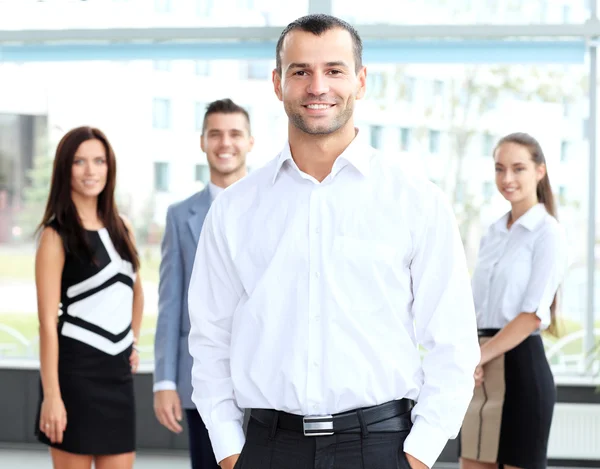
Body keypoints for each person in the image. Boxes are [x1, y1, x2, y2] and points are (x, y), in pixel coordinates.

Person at [188, 14, 480, 469]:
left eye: (334, 70)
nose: (317, 86)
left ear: (360, 81)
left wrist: (419, 454)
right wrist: (229, 449)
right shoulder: (234, 208)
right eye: (300, 71)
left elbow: (452, 341)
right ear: (277, 82)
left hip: (382, 448)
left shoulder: (416, 200)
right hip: (266, 448)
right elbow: (210, 338)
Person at [153, 98, 254, 469]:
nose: (225, 143)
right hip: (203, 381)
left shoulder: (274, 206)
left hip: (266, 381)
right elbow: (170, 302)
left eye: (234, 134)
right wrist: (164, 381)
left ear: (250, 142)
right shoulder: (181, 216)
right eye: (215, 134)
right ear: (202, 142)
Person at [34, 126, 143, 469]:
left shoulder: (122, 227)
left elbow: (136, 294)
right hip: (74, 378)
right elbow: (47, 325)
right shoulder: (55, 235)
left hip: (117, 376)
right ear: (65, 168)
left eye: (99, 161)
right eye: (80, 162)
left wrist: (132, 342)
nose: (90, 170)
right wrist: (52, 395)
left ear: (109, 168)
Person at [459, 132, 568, 469]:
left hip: (521, 372)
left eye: (518, 168)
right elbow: (472, 308)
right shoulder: (492, 232)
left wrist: (478, 356)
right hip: (481, 370)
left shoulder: (548, 233)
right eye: (499, 168)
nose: (507, 179)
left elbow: (532, 315)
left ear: (540, 171)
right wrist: (470, 357)